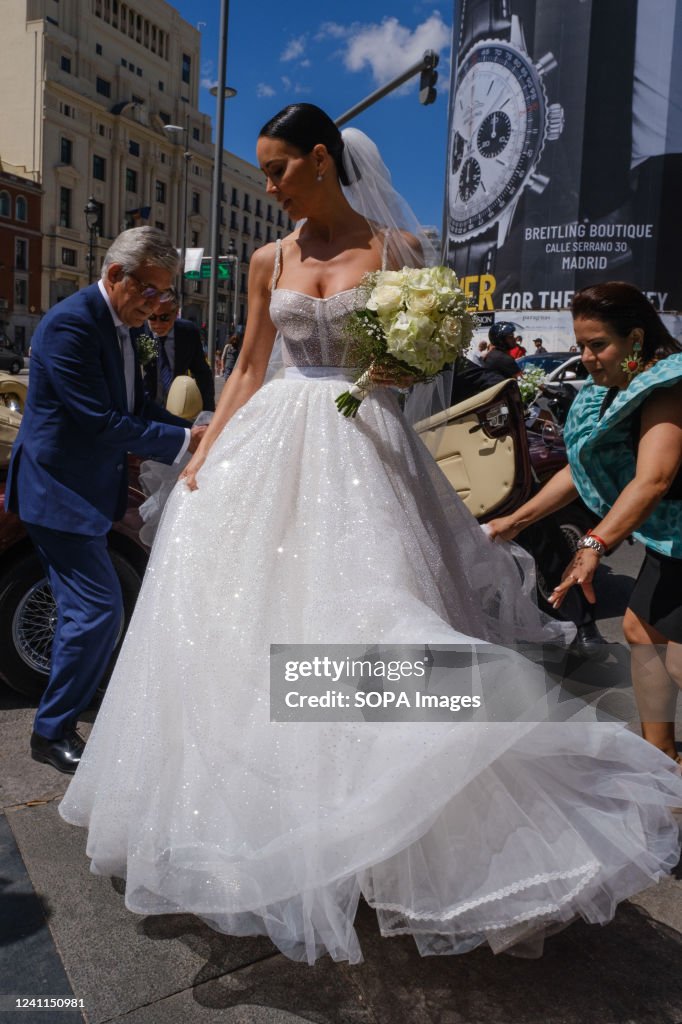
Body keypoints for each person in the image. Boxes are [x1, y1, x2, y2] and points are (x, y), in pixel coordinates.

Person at [59, 107, 682, 965]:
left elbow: (428, 366)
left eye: (279, 170)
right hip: (273, 443)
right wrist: (207, 450)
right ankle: (293, 831)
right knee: (247, 636)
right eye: (265, 172)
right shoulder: (270, 257)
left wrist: (401, 365)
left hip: (365, 446)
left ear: (323, 160)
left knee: (378, 628)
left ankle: (399, 824)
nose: (270, 187)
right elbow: (246, 364)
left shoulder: (399, 250)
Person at [5, 227, 207, 774]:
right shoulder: (71, 324)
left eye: (166, 295)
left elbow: (140, 406)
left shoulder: (129, 327)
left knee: (86, 611)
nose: (158, 304)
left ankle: (63, 718)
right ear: (116, 275)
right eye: (151, 291)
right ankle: (51, 731)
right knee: (97, 610)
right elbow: (98, 421)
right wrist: (188, 443)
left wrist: (202, 428)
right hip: (56, 488)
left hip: (88, 489)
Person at [488, 282, 682, 762]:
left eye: (598, 344)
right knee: (641, 632)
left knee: (671, 653)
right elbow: (581, 468)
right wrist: (513, 521)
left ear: (636, 338)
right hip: (670, 539)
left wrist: (593, 545)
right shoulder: (607, 391)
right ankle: (661, 755)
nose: (588, 357)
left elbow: (653, 480)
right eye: (581, 346)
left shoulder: (669, 383)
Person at [143, 294, 215, 411]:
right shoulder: (140, 332)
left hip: (178, 409)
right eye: (152, 317)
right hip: (145, 410)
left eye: (164, 317)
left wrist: (207, 413)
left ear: (176, 313)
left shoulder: (188, 332)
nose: (158, 324)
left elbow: (203, 374)